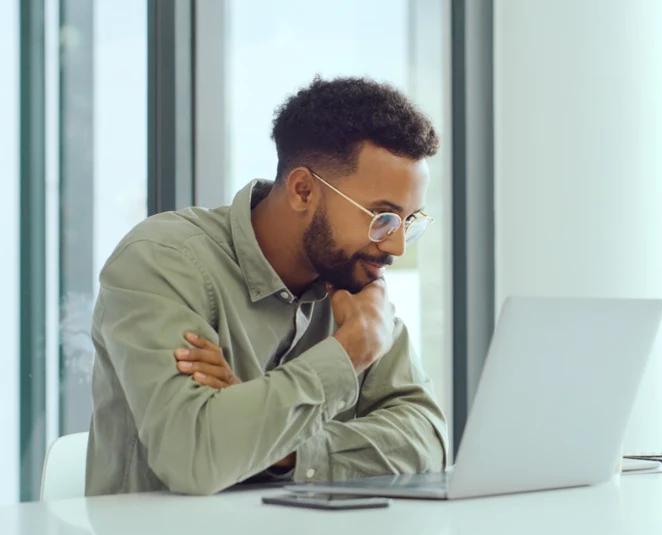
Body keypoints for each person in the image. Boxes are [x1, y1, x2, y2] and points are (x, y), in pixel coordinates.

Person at [85, 76, 447, 496]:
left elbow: (428, 440)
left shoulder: (354, 286)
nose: (397, 246)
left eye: (409, 222)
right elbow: (195, 457)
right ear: (303, 190)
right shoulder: (162, 261)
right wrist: (349, 353)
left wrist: (283, 445)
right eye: (382, 218)